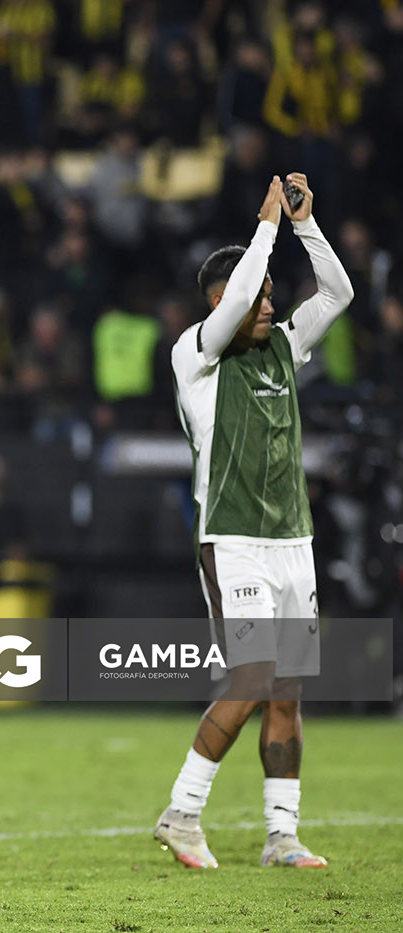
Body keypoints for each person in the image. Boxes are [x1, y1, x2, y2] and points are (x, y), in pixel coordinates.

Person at [156, 174, 351, 871]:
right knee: (252, 675)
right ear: (219, 302)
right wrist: (264, 230)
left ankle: (282, 833)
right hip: (231, 541)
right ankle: (181, 812)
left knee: (288, 689)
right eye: (260, 294)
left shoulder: (282, 347)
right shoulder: (195, 356)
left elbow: (337, 295)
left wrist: (304, 225)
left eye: (272, 295)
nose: (270, 304)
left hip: (292, 540)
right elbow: (240, 294)